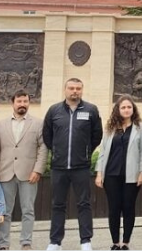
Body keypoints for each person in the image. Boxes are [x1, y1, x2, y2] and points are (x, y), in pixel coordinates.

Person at [43, 78, 103, 251]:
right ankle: (55, 242)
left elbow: (96, 135)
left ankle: (85, 241)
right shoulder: (54, 110)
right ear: (65, 90)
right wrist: (56, 150)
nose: (74, 91)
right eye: (71, 88)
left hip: (81, 167)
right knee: (57, 204)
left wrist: (85, 152)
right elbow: (47, 135)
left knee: (84, 204)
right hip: (59, 167)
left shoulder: (91, 110)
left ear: (82, 90)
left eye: (78, 88)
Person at [0, 90, 48, 251]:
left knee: (28, 210)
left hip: (29, 174)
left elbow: (43, 148)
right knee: (4, 211)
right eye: (19, 101)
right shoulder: (0, 125)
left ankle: (26, 243)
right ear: (12, 103)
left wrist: (38, 170)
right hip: (4, 174)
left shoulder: (38, 123)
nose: (22, 104)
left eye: (25, 101)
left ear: (29, 103)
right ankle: (3, 244)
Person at [97, 96, 142, 250]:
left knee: (128, 207)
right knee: (114, 208)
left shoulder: (140, 128)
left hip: (131, 175)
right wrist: (99, 173)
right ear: (118, 110)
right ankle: (115, 242)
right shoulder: (111, 128)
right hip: (111, 174)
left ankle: (125, 242)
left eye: (129, 107)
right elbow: (103, 152)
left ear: (133, 109)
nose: (126, 110)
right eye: (123, 107)